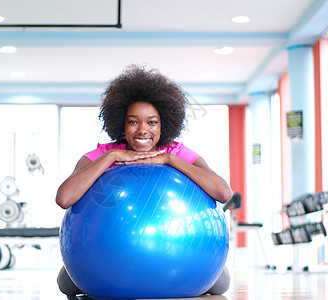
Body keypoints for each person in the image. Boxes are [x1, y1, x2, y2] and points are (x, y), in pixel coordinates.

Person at [55, 65, 233, 297]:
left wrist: (169, 159)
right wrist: (113, 156)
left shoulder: (177, 152)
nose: (142, 130)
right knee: (65, 284)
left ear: (163, 124)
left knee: (221, 284)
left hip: (182, 257)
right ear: (122, 123)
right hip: (106, 257)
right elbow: (64, 198)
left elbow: (224, 193)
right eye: (133, 122)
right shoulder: (102, 154)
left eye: (152, 122)